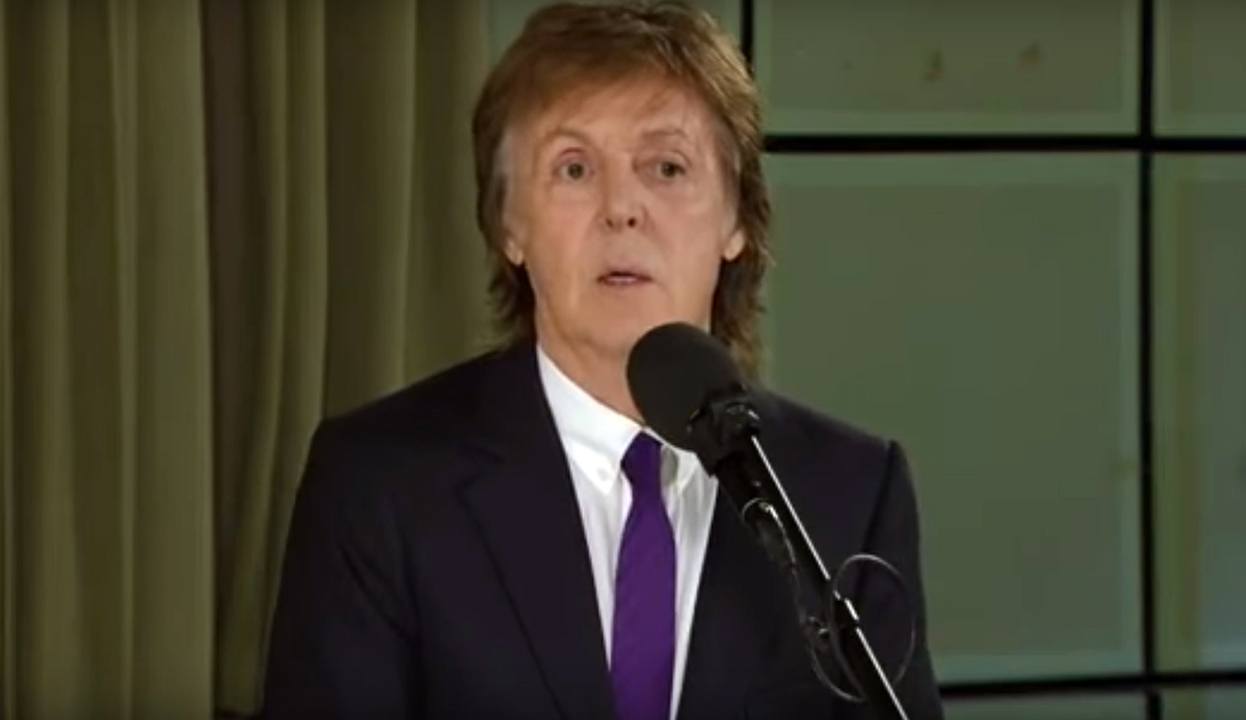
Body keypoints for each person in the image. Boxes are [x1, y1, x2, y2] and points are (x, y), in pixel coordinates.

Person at [262, 2, 943, 718]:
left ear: (736, 220)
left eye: (667, 167)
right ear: (508, 224)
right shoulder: (378, 484)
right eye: (575, 168)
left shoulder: (849, 492)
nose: (622, 208)